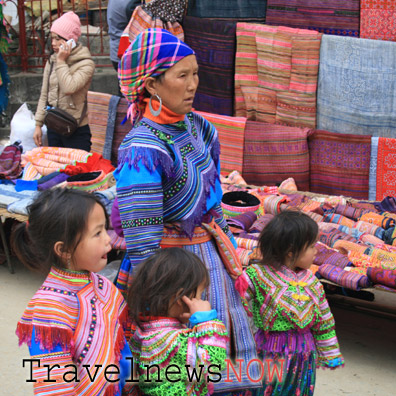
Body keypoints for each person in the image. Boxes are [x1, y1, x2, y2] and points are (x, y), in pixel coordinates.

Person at [112, 28, 260, 393]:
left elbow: (214, 200)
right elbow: (142, 241)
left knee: (225, 357)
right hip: (171, 273)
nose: (193, 84)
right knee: (182, 369)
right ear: (151, 85)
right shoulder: (142, 149)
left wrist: (230, 249)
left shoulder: (201, 128)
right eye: (182, 75)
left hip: (209, 262)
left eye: (195, 73)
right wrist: (163, 302)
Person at [13, 188, 133, 396]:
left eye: (105, 229)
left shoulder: (103, 286)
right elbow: (54, 384)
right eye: (97, 233)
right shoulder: (49, 309)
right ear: (64, 250)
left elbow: (120, 343)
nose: (109, 240)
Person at [235, 210, 344, 396]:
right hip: (267, 352)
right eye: (311, 246)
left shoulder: (312, 282)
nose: (316, 251)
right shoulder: (256, 276)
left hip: (303, 356)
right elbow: (241, 311)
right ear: (290, 251)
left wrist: (329, 352)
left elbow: (324, 321)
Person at [128, 247, 228, 395]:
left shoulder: (143, 333)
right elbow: (213, 364)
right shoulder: (175, 340)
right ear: (182, 298)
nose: (202, 300)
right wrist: (207, 321)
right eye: (200, 294)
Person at [33, 11, 95, 152]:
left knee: (77, 172)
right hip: (53, 126)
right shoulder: (52, 60)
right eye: (52, 38)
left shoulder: (85, 63)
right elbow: (45, 94)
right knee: (57, 172)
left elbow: (69, 87)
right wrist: (38, 125)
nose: (53, 43)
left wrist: (61, 61)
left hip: (75, 129)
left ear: (70, 40)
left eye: (57, 39)